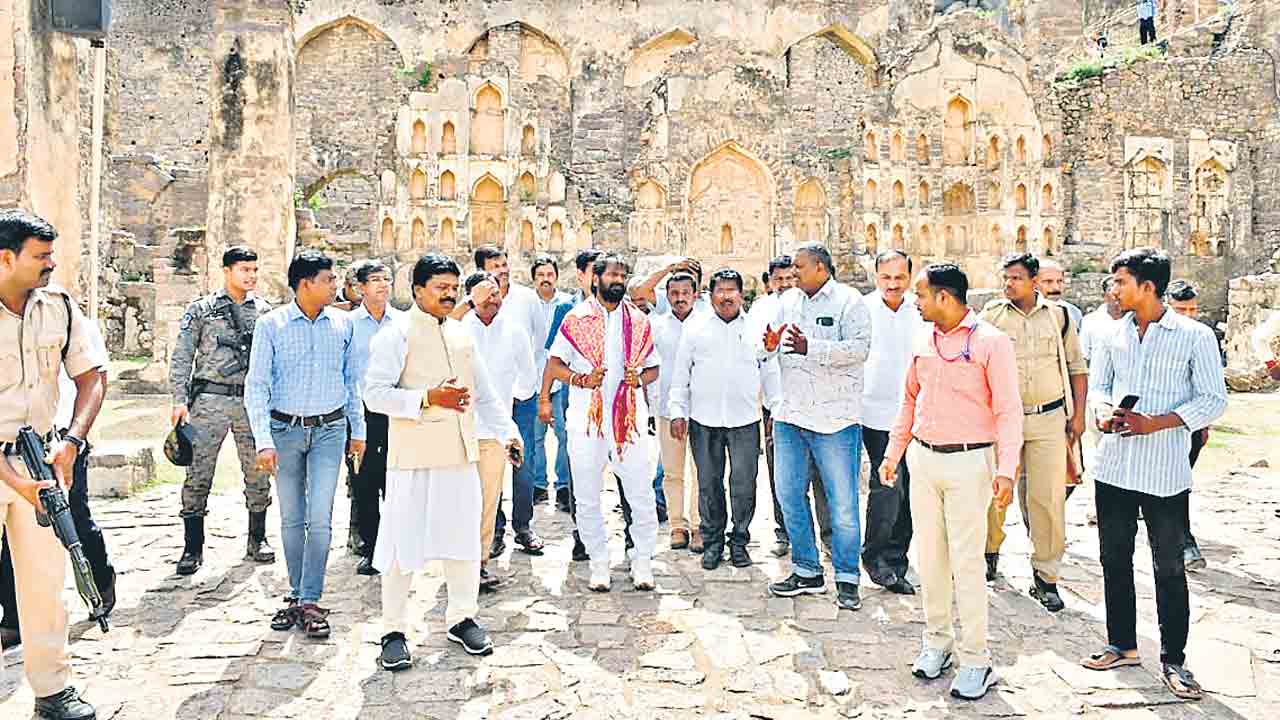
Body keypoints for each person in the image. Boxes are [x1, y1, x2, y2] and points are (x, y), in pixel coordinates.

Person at [1080, 248, 1227, 702]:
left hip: (1164, 470)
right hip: (1114, 465)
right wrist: (1105, 413)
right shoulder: (1111, 334)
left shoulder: (1194, 336)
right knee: (1114, 559)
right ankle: (1122, 644)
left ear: (1147, 286)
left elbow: (1213, 399)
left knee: (1167, 567)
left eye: (1120, 281)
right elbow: (1100, 386)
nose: (1112, 290)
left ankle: (1173, 659)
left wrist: (1157, 422)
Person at [364, 254, 519, 667]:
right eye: (441, 288)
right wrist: (428, 398)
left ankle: (462, 618)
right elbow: (374, 394)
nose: (450, 295)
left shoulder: (462, 335)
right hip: (412, 457)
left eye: (454, 288)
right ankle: (393, 630)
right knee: (401, 544)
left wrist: (509, 433)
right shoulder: (395, 334)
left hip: (460, 454)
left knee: (463, 541)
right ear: (417, 291)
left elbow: (485, 394)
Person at [880, 263, 1021, 701]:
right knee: (931, 558)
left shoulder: (991, 343)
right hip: (923, 460)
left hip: (969, 462)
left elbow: (1008, 410)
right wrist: (893, 454)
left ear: (944, 297)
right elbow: (909, 400)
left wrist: (1005, 470)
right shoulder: (922, 342)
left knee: (967, 562)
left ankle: (977, 658)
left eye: (920, 295)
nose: (915, 302)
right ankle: (937, 643)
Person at [0, 209, 106, 719]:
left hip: (41, 459)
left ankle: (52, 691)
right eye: (40, 256)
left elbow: (92, 376)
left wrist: (72, 441)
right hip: (9, 466)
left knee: (46, 583)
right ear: (6, 258)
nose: (51, 264)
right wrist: (14, 481)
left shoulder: (59, 306)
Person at [245, 250, 366, 639]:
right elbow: (257, 386)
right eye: (329, 280)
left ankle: (310, 597)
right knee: (292, 517)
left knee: (321, 517)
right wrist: (263, 441)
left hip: (330, 430)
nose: (336, 286)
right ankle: (297, 596)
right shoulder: (272, 325)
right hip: (285, 431)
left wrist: (358, 431)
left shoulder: (344, 325)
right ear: (305, 284)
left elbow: (353, 382)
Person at [759, 243, 872, 611]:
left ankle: (847, 576)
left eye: (800, 267)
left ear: (821, 268)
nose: (793, 274)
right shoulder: (787, 302)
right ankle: (807, 569)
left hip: (835, 420)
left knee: (842, 503)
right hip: (792, 415)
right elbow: (767, 349)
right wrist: (771, 347)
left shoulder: (849, 301)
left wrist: (813, 348)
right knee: (788, 494)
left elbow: (859, 350)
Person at [979, 253, 1087, 611]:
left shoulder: (1059, 317)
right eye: (1005, 278)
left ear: (1034, 281)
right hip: (1002, 420)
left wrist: (1078, 417)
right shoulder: (991, 317)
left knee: (1047, 499)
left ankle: (1046, 575)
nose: (1008, 284)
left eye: (1015, 278)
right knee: (995, 491)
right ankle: (988, 554)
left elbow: (1076, 367)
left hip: (1048, 417)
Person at [546, 253, 660, 592]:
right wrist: (581, 380)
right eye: (611, 274)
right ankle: (598, 562)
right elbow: (555, 364)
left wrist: (638, 378)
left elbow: (654, 368)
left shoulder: (639, 321)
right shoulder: (576, 318)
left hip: (630, 420)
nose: (618, 280)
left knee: (639, 492)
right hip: (587, 421)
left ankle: (641, 560)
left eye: (622, 275)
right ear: (596, 278)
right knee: (587, 495)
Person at [0, 317, 115, 651]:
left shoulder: (74, 321)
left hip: (65, 439)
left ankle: (100, 580)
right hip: (18, 444)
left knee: (74, 516)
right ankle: (13, 617)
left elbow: (97, 379)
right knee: (14, 531)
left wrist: (74, 438)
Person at [168, 246, 275, 575]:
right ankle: (192, 546)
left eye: (255, 270)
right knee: (198, 473)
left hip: (250, 403)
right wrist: (178, 400)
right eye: (244, 270)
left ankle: (257, 538)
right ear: (227, 271)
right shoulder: (202, 310)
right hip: (209, 401)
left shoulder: (265, 313)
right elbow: (182, 355)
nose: (251, 276)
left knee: (258, 472)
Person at [669, 268, 777, 569]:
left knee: (744, 483)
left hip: (744, 420)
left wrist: (775, 412)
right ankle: (713, 541)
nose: (726, 296)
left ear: (741, 294)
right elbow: (681, 375)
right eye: (720, 290)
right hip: (704, 420)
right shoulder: (696, 328)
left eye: (732, 290)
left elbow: (769, 371)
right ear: (710, 294)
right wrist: (678, 411)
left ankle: (739, 540)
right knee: (708, 483)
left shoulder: (757, 327)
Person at [746, 256, 832, 560]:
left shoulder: (812, 305)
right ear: (768, 282)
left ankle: (829, 537)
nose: (784, 284)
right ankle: (785, 533)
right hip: (776, 408)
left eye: (789, 278)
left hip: (816, 405)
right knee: (782, 477)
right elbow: (755, 353)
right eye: (778, 279)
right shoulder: (760, 310)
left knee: (822, 475)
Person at [460, 271, 544, 562]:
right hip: (462, 425)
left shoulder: (514, 329)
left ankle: (492, 550)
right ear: (471, 298)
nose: (495, 299)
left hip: (499, 424)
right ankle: (470, 554)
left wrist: (511, 404)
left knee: (496, 489)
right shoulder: (459, 330)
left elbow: (528, 375)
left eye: (497, 293)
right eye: (487, 295)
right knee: (467, 498)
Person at [860, 250, 926, 596]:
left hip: (915, 416)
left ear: (910, 277)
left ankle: (896, 560)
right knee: (887, 487)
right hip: (874, 414)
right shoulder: (862, 310)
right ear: (876, 276)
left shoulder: (920, 312)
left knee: (911, 492)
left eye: (900, 277)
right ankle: (875, 558)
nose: (893, 284)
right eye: (886, 277)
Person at [540, 249, 601, 563]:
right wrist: (545, 397)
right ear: (580, 275)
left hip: (615, 405)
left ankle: (631, 534)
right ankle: (583, 534)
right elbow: (553, 359)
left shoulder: (620, 305)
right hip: (575, 400)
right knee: (579, 467)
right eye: (594, 271)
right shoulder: (567, 307)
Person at [346, 261, 402, 576]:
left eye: (386, 279)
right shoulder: (349, 325)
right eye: (375, 280)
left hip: (395, 410)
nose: (382, 285)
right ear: (361, 288)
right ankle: (371, 548)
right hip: (362, 413)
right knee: (364, 482)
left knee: (396, 479)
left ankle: (397, 545)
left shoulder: (403, 323)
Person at [650, 272, 703, 552]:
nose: (680, 298)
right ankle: (677, 525)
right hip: (666, 410)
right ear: (667, 296)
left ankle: (697, 526)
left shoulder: (706, 325)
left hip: (702, 410)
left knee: (700, 470)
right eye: (675, 293)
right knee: (672, 472)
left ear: (695, 294)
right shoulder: (657, 326)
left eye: (686, 292)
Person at [1166, 279, 1210, 570]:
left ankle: (1182, 541)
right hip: (1157, 425)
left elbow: (1209, 389)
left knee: (1180, 484)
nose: (1188, 315)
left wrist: (1203, 424)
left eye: (1193, 309)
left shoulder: (1202, 338)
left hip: (1190, 426)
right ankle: (1183, 543)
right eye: (1181, 309)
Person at [528, 254, 574, 510]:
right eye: (541, 276)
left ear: (556, 276)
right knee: (535, 437)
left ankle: (564, 485)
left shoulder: (567, 304)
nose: (546, 280)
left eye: (549, 275)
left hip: (563, 380)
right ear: (534, 279)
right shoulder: (527, 305)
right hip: (533, 380)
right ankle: (538, 485)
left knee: (565, 435)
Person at [1036, 259, 1083, 332]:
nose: (1056, 287)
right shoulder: (1024, 312)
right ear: (1034, 283)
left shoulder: (1073, 312)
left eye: (1060, 281)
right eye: (1048, 281)